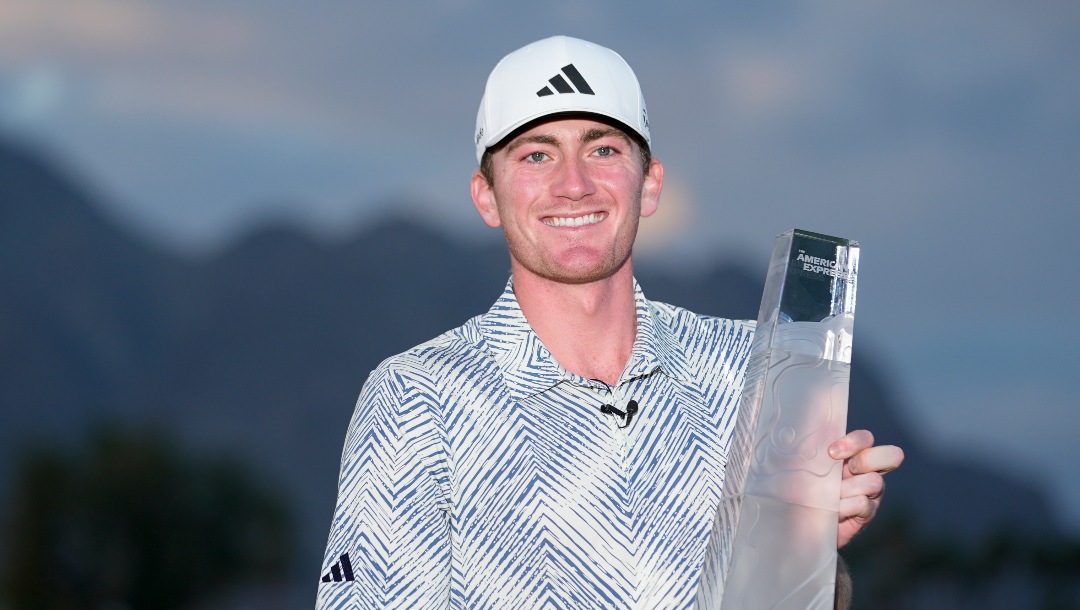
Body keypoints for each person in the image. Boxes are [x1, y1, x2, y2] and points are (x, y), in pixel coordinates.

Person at [317, 35, 903, 609]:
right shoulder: (418, 398)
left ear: (648, 184)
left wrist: (807, 554)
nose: (574, 184)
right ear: (488, 197)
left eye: (603, 150)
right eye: (536, 155)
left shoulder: (750, 368)